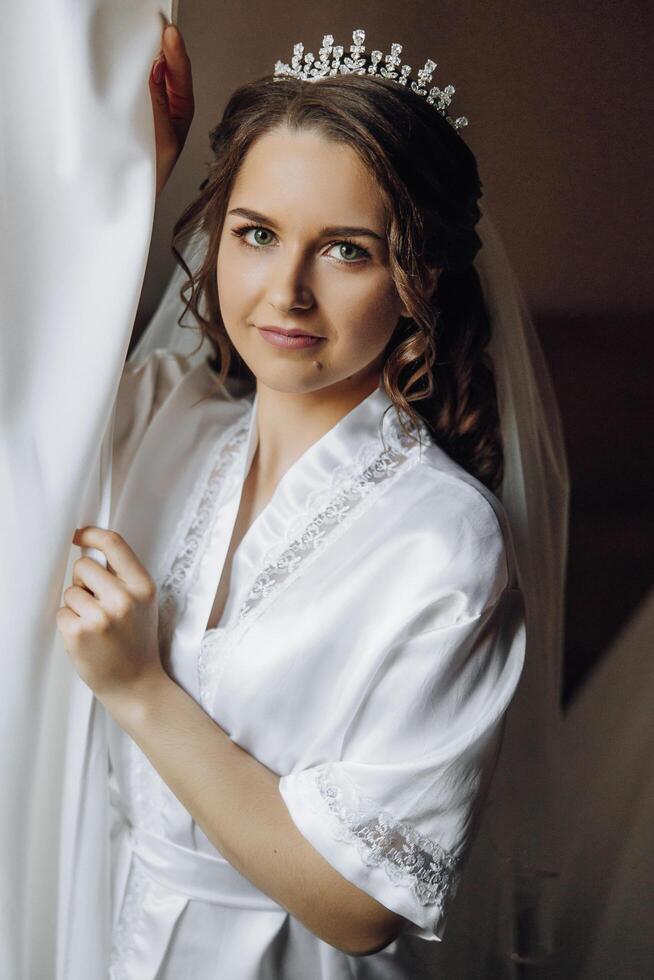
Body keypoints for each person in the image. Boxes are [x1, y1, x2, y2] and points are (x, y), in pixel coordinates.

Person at [57, 24, 566, 979]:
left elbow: (364, 904)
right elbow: (30, 392)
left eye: (345, 250)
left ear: (419, 279)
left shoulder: (445, 545)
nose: (285, 292)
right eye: (256, 234)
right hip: (110, 932)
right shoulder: (166, 416)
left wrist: (139, 690)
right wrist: (132, 178)